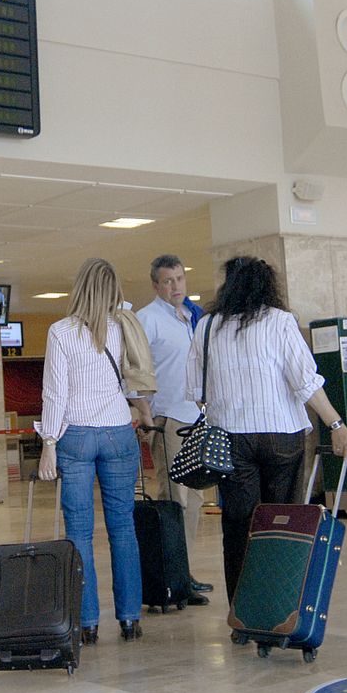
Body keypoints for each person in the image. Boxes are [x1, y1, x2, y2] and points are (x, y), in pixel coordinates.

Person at [185, 256, 347, 603]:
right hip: (282, 435)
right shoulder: (279, 321)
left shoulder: (207, 326)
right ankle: (280, 604)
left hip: (231, 438)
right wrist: (335, 423)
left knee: (238, 525)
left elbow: (194, 389)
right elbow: (305, 382)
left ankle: (243, 610)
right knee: (283, 520)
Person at [38, 258, 153, 643]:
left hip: (76, 437)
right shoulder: (124, 327)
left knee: (80, 532)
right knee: (123, 529)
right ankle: (130, 617)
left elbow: (55, 393)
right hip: (120, 432)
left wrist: (48, 443)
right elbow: (136, 382)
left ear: (79, 287)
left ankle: (87, 622)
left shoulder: (61, 332)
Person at [134, 253, 211, 604]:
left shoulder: (191, 317)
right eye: (167, 281)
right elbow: (133, 371)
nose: (175, 286)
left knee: (193, 498)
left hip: (197, 417)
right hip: (168, 419)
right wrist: (146, 416)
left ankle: (184, 570)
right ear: (155, 285)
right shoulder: (146, 319)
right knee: (174, 497)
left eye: (179, 279)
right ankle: (172, 574)